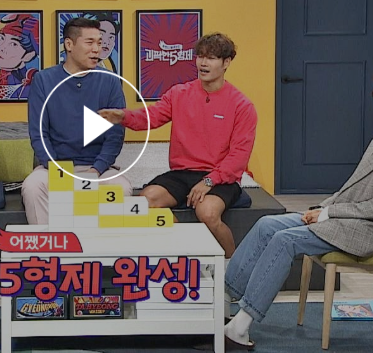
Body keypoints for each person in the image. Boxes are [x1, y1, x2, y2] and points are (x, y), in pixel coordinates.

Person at [220, 60, 373, 350]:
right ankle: (223, 301)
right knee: (266, 225)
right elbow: (354, 187)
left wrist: (330, 213)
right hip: (348, 217)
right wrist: (322, 209)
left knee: (285, 240)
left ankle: (240, 326)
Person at [100, 33, 257, 259]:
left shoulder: (242, 105)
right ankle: (188, 252)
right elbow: (151, 117)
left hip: (220, 177)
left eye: (211, 58)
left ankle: (233, 265)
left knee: (207, 212)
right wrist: (123, 116)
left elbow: (239, 156)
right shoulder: (179, 93)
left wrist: (209, 181)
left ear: (226, 63)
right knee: (145, 202)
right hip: (182, 173)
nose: (203, 63)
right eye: (200, 56)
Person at [23, 17, 132, 224]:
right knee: (32, 187)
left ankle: (100, 245)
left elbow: (115, 136)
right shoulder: (44, 80)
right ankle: (49, 243)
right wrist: (57, 170)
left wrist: (95, 170)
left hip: (97, 168)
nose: (97, 49)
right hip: (54, 167)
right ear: (69, 44)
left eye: (99, 43)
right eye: (89, 42)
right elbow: (38, 133)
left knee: (122, 188)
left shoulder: (110, 81)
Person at [0, 13, 39, 100]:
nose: (1, 47)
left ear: (28, 55)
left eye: (13, 44)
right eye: (1, 38)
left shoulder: (28, 83)